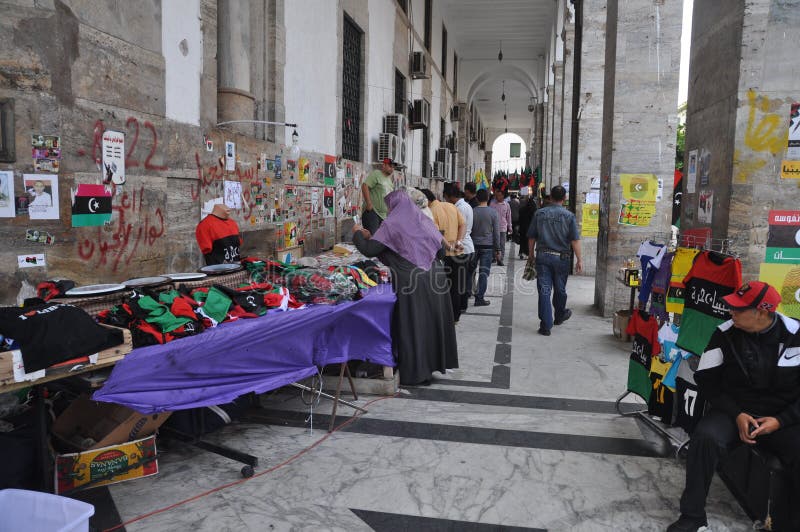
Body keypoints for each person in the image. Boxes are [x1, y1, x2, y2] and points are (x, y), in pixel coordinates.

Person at [667, 281, 800, 532]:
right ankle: (692, 517)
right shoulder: (724, 333)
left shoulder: (796, 334)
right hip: (735, 411)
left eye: (738, 309)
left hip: (782, 417)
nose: (731, 313)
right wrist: (737, 414)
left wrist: (781, 421)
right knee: (705, 439)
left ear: (761, 312)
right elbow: (705, 379)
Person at [351, 190, 458, 386]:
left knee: (414, 324)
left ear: (393, 207)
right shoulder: (423, 220)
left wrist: (358, 232)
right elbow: (441, 251)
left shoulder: (392, 223)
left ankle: (416, 372)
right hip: (436, 277)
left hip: (412, 280)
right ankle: (431, 365)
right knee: (430, 324)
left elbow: (369, 250)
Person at [527, 185, 582, 336]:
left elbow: (532, 237)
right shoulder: (569, 216)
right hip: (562, 258)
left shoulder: (539, 213)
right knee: (560, 289)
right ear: (564, 199)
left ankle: (546, 325)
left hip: (543, 256)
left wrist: (531, 254)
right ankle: (559, 315)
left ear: (550, 197)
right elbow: (575, 240)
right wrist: (579, 259)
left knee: (544, 290)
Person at [444, 185, 475, 313]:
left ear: (451, 196)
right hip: (466, 245)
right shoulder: (465, 205)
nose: (445, 200)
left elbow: (458, 227)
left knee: (459, 283)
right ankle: (462, 305)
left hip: (462, 247)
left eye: (446, 197)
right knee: (462, 281)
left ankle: (461, 307)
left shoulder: (460, 208)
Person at [471, 188, 501, 307]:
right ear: (488, 198)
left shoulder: (472, 211)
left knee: (470, 271)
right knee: (484, 273)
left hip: (473, 245)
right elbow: (497, 233)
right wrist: (498, 249)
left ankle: (468, 293)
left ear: (477, 198)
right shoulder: (493, 213)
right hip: (488, 246)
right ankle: (479, 298)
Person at [361, 157, 395, 234]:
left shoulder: (390, 181)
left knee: (381, 239)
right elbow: (365, 186)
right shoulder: (376, 174)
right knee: (374, 238)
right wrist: (369, 204)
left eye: (393, 167)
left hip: (383, 216)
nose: (392, 169)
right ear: (384, 165)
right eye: (390, 166)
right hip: (373, 213)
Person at [489, 189, 512, 266]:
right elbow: (489, 215)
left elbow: (508, 217)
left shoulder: (506, 205)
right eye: (496, 195)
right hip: (493, 227)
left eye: (499, 195)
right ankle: (493, 257)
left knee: (502, 244)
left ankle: (500, 259)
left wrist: (510, 227)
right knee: (494, 243)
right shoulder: (492, 204)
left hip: (503, 227)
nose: (498, 197)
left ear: (503, 196)